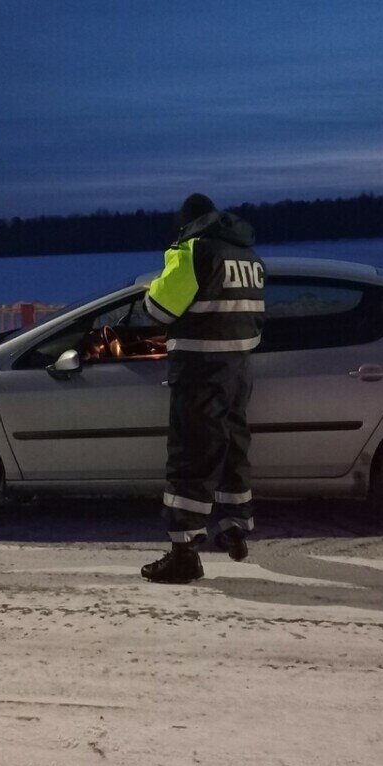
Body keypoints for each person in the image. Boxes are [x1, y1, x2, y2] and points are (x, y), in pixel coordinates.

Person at [140, 194, 266, 584]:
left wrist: (153, 287)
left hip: (199, 371)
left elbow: (159, 310)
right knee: (230, 446)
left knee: (191, 455)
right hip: (238, 370)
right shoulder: (248, 258)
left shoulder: (193, 251)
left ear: (188, 222)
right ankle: (233, 526)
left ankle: (183, 554)